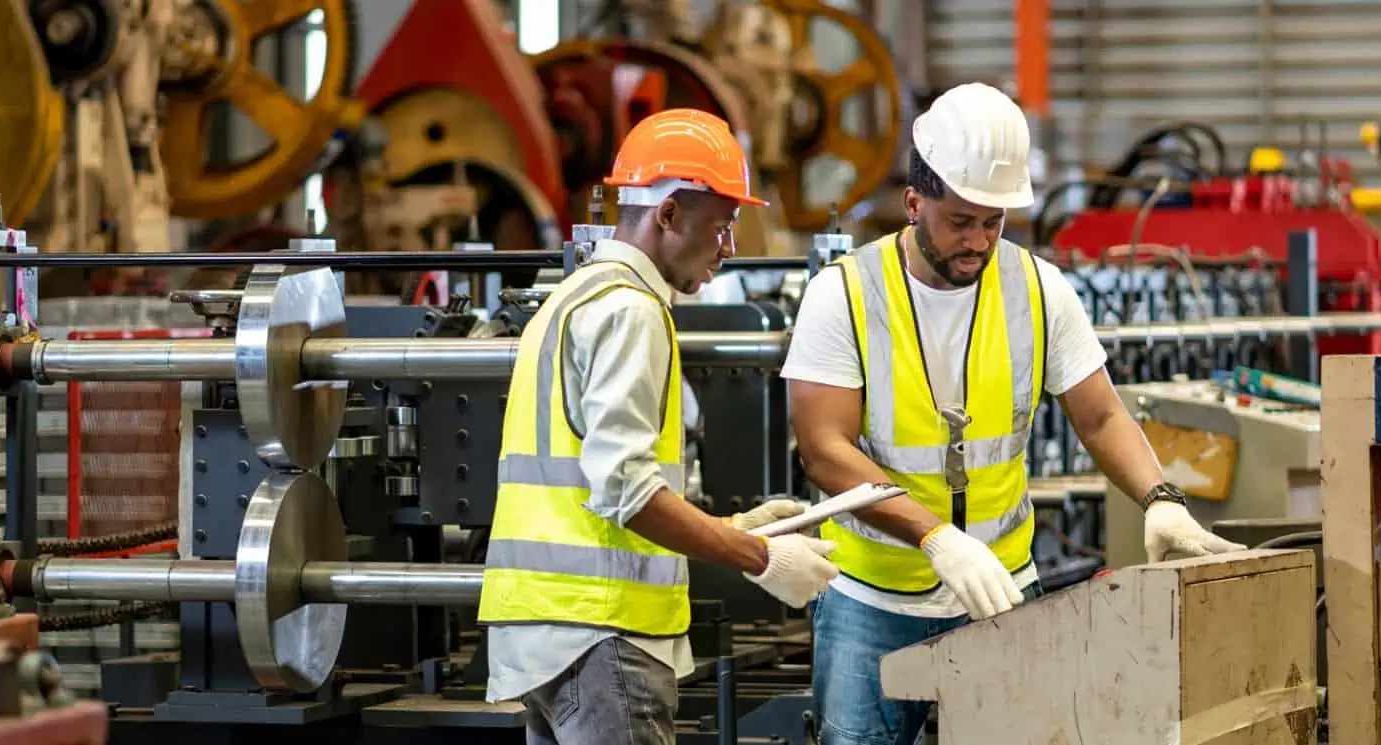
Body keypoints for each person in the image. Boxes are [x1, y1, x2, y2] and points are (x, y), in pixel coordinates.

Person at [781, 82, 1248, 745]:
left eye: (994, 222)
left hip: (1001, 593)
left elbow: (1101, 416)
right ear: (914, 203)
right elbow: (825, 447)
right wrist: (933, 537)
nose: (978, 241)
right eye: (960, 221)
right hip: (872, 599)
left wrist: (1161, 497)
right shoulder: (845, 295)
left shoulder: (1036, 287)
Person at [478, 108, 842, 745]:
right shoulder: (630, 311)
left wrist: (726, 528)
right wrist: (760, 557)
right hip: (604, 636)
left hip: (547, 633)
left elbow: (592, 482)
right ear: (669, 214)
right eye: (722, 227)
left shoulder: (572, 298)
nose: (729, 250)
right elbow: (626, 490)